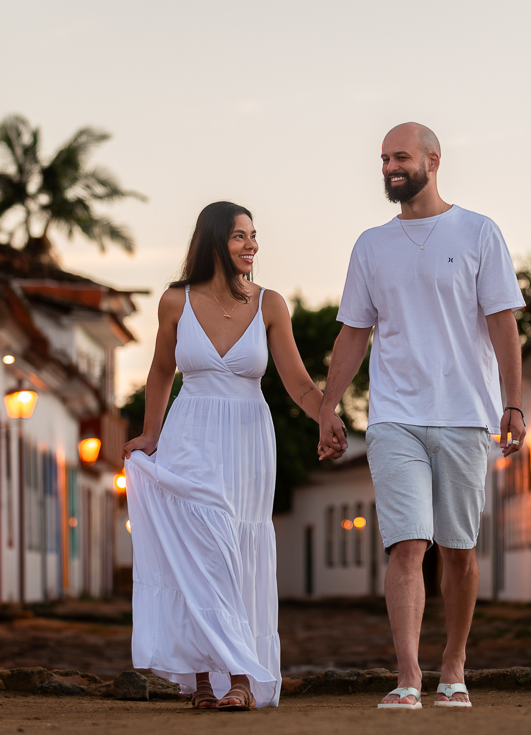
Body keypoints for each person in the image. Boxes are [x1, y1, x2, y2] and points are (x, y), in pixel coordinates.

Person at [317, 123, 526, 710]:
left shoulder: (479, 231)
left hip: (464, 414)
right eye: (383, 159)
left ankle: (453, 666)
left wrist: (512, 403)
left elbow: (503, 323)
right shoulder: (370, 245)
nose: (389, 167)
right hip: (394, 417)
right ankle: (407, 674)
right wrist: (329, 407)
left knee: (458, 548)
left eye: (400, 157)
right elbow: (353, 333)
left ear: (433, 160)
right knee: (407, 545)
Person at [123, 201, 347, 711]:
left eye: (254, 236)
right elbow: (161, 371)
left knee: (238, 550)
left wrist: (326, 414)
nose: (252, 245)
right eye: (240, 236)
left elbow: (296, 381)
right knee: (200, 550)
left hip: (248, 439)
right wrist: (150, 433)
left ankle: (242, 678)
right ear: (214, 242)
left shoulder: (270, 304)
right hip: (190, 433)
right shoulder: (174, 302)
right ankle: (202, 679)